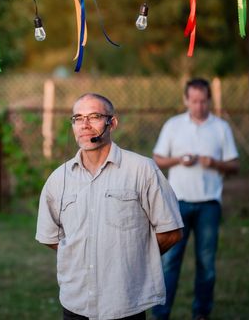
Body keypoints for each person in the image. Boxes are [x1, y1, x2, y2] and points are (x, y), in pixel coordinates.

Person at [36, 93, 184, 320]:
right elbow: (50, 236)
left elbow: (171, 232)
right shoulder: (58, 179)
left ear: (112, 123)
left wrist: (131, 257)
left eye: (94, 117)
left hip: (125, 302)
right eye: (78, 118)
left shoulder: (142, 170)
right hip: (76, 303)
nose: (85, 125)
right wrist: (85, 253)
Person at [151, 78, 239, 320]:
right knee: (170, 261)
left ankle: (201, 313)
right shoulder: (173, 125)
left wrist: (214, 163)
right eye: (194, 101)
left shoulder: (221, 127)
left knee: (206, 263)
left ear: (209, 100)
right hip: (177, 203)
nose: (199, 106)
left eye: (203, 101)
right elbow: (157, 159)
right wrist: (179, 160)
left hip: (209, 204)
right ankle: (160, 313)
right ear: (186, 100)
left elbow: (234, 166)